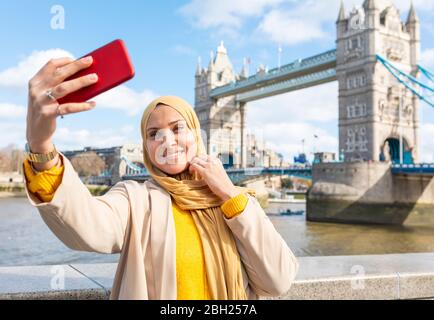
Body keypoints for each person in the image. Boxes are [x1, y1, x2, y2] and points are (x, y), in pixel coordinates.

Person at [23, 56, 298, 300]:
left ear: (196, 134)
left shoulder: (237, 202)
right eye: (153, 133)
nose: (167, 139)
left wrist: (229, 194)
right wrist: (41, 146)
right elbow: (85, 226)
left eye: (178, 128)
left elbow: (278, 281)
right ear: (146, 147)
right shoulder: (136, 200)